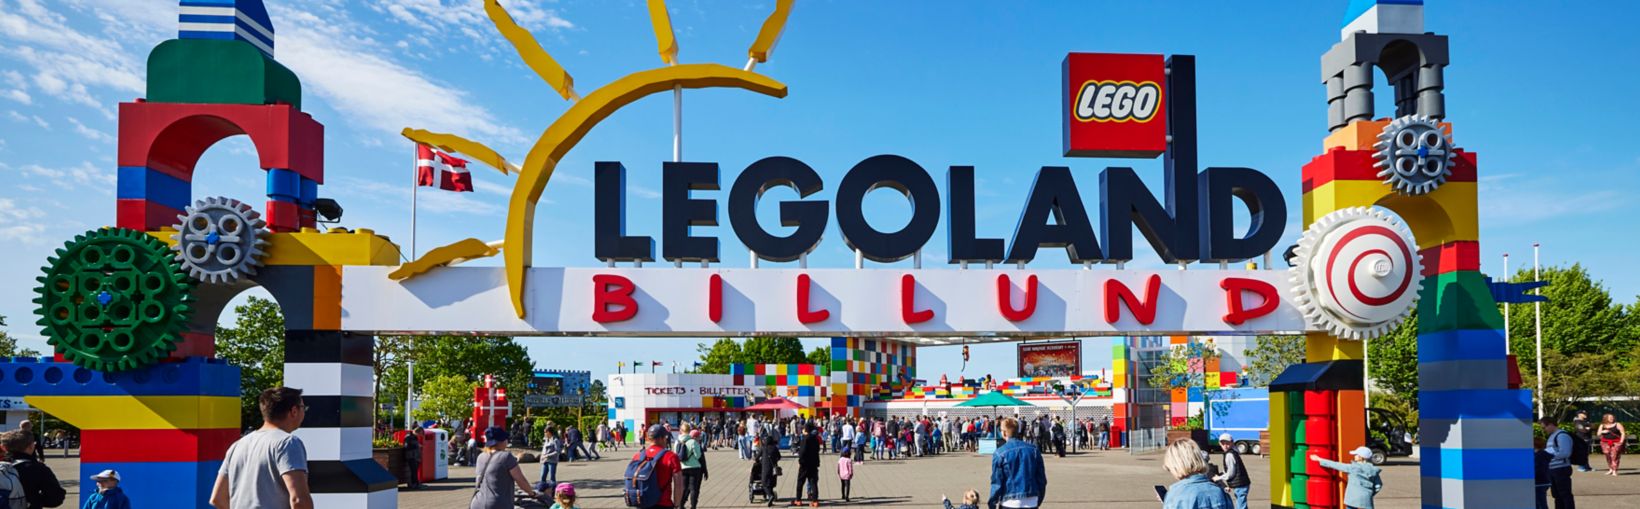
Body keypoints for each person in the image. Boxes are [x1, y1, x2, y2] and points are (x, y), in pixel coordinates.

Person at [210, 387, 310, 509]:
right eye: (303, 408)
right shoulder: (287, 443)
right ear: (294, 411)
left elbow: (218, 498)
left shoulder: (237, 446)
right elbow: (299, 500)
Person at [471, 427, 541, 509]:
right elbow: (520, 480)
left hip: (477, 503)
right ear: (500, 441)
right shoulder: (506, 457)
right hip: (498, 504)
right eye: (505, 439)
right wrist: (531, 493)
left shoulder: (481, 457)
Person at [987, 418, 1046, 509]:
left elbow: (997, 481)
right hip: (1031, 499)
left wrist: (992, 503)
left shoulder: (1000, 453)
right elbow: (1041, 479)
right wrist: (1038, 499)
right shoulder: (1033, 450)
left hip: (1009, 500)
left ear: (1004, 432)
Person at [1160, 439, 1231, 509]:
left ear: (1177, 466)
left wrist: (1168, 502)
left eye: (1170, 469)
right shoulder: (1219, 492)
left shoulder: (1175, 494)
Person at [1309, 446, 1382, 509]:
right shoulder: (1373, 470)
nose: (1354, 456)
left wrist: (1320, 459)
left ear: (1360, 457)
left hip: (1353, 498)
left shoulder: (1353, 468)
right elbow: (1378, 486)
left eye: (1356, 455)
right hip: (1367, 498)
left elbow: (1336, 465)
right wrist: (1369, 494)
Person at [631, 424, 684, 509]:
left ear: (649, 438)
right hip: (663, 503)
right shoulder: (671, 456)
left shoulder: (638, 455)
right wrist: (677, 503)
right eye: (666, 438)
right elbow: (679, 483)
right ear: (661, 438)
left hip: (642, 502)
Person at [1212, 434, 1251, 509]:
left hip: (1240, 484)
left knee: (1241, 506)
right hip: (1242, 483)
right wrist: (1222, 474)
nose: (1225, 446)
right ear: (1220, 444)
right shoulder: (1234, 451)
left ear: (1232, 443)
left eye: (1227, 443)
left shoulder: (1229, 455)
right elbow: (1228, 469)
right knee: (1241, 504)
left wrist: (1218, 478)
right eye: (1223, 444)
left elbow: (1230, 473)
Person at [1543, 418, 1575, 509]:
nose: (1544, 430)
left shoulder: (1562, 435)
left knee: (1564, 494)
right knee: (1557, 495)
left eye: (1544, 427)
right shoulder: (1552, 436)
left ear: (1550, 425)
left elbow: (1565, 452)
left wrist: (1548, 456)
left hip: (1561, 468)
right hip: (1553, 468)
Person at [677, 429, 709, 509]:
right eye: (698, 437)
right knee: (694, 488)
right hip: (695, 468)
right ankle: (693, 506)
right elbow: (699, 457)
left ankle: (681, 505)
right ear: (695, 437)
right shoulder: (695, 443)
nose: (700, 439)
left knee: (684, 488)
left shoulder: (680, 442)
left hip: (683, 467)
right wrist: (705, 471)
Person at [793, 425, 821, 507]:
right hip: (813, 463)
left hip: (805, 464)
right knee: (813, 483)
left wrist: (800, 461)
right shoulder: (815, 439)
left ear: (805, 430)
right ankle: (815, 501)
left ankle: (798, 500)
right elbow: (817, 451)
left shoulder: (805, 439)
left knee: (800, 482)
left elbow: (802, 452)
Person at [757, 434, 782, 507]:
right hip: (773, 468)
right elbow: (779, 457)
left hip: (765, 468)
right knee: (771, 483)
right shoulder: (775, 448)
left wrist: (758, 461)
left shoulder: (763, 448)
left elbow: (757, 457)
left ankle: (770, 495)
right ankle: (771, 496)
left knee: (764, 483)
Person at [402, 424, 423, 490]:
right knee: (413, 470)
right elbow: (406, 446)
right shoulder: (408, 437)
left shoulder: (414, 437)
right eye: (420, 433)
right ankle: (414, 484)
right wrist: (416, 446)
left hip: (415, 456)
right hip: (411, 456)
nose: (420, 435)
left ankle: (416, 483)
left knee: (415, 470)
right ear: (417, 432)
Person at [1535, 437, 1552, 509]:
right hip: (1545, 481)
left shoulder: (1537, 456)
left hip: (1538, 482)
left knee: (1539, 503)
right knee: (1541, 502)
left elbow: (1537, 469)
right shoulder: (1546, 454)